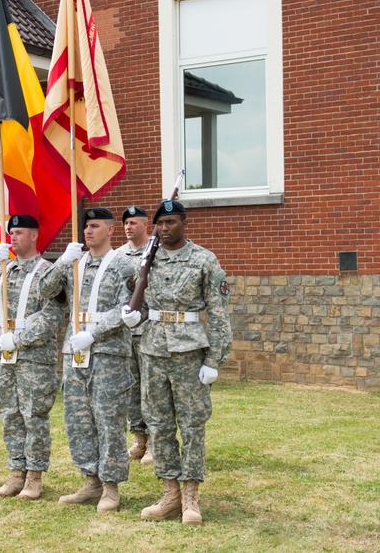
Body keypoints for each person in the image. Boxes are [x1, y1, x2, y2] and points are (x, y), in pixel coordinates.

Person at [122, 200, 231, 526]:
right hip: (152, 352)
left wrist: (215, 359)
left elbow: (220, 314)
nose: (165, 228)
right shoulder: (147, 259)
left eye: (171, 222)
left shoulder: (203, 260)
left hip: (189, 354)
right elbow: (138, 301)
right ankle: (170, 494)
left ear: (183, 222)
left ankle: (191, 498)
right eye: (161, 223)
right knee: (159, 425)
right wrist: (132, 315)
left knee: (193, 426)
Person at [38, 207, 135, 513]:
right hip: (74, 352)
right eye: (86, 227)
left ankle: (110, 486)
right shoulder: (74, 263)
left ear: (110, 230)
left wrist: (94, 332)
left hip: (107, 352)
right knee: (78, 420)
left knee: (108, 420)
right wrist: (61, 262)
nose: (88, 231)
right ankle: (90, 480)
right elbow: (46, 290)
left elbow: (128, 307)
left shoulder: (123, 264)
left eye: (94, 226)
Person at [0, 214, 65, 500]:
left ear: (35, 235)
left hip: (34, 355)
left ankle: (34, 476)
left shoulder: (49, 272)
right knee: (9, 414)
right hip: (4, 353)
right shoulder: (4, 269)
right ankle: (16, 472)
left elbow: (53, 316)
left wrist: (19, 340)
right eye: (11, 233)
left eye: (20, 232)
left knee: (33, 415)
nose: (13, 237)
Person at [120, 205, 153, 465]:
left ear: (145, 224)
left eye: (134, 222)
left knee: (152, 388)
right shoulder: (118, 255)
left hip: (150, 330)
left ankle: (154, 440)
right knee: (131, 387)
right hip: (125, 332)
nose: (129, 227)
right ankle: (139, 438)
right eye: (126, 223)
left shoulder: (157, 252)